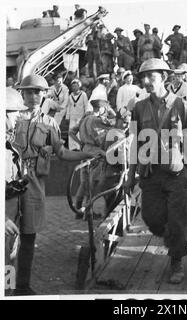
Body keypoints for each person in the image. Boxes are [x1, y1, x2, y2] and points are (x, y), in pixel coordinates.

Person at [12, 75, 103, 295]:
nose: (33, 96)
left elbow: (62, 152)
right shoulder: (11, 118)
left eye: (38, 92)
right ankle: (7, 285)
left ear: (44, 95)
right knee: (6, 235)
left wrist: (87, 153)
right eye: (29, 91)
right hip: (11, 178)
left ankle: (22, 286)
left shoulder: (50, 122)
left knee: (28, 234)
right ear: (22, 94)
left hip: (34, 182)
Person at [124, 58, 187, 284]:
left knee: (177, 221)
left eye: (152, 76)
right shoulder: (138, 108)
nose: (146, 81)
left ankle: (176, 261)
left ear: (164, 78)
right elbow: (134, 142)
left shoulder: (181, 105)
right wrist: (130, 175)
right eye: (143, 77)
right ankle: (175, 236)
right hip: (150, 174)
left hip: (177, 173)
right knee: (152, 218)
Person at [5, 88, 28, 269]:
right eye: (15, 113)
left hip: (12, 216)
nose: (18, 118)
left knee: (10, 262)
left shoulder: (8, 144)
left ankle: (9, 293)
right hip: (5, 219)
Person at [65, 79, 89, 150]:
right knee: (71, 132)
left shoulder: (83, 94)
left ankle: (79, 147)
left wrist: (86, 116)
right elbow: (68, 106)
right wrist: (67, 116)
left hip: (80, 117)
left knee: (79, 133)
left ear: (79, 86)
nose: (74, 88)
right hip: (72, 116)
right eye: (73, 86)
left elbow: (86, 105)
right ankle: (72, 148)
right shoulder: (70, 95)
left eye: (76, 86)